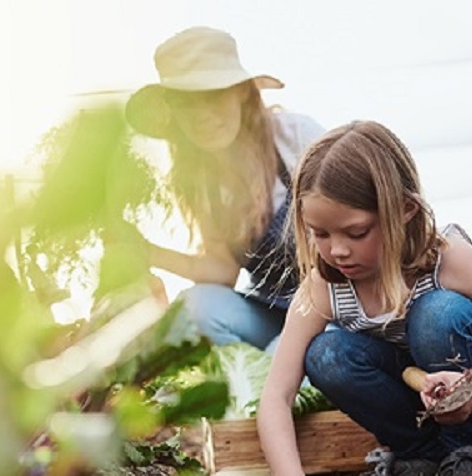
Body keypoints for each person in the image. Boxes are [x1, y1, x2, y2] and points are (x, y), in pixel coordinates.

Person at [256, 120, 472, 476]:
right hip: (420, 407)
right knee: (327, 354)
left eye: (356, 232)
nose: (337, 250)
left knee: (436, 314)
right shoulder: (322, 289)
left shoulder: (448, 259)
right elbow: (275, 397)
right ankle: (423, 456)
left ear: (405, 209)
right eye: (320, 233)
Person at [124, 26, 324, 350]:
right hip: (271, 313)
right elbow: (223, 271)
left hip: (334, 311)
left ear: (242, 93)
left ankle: (273, 373)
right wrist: (147, 252)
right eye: (187, 102)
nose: (202, 115)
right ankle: (253, 373)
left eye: (213, 96)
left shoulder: (297, 138)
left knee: (282, 355)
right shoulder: (202, 182)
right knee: (194, 308)